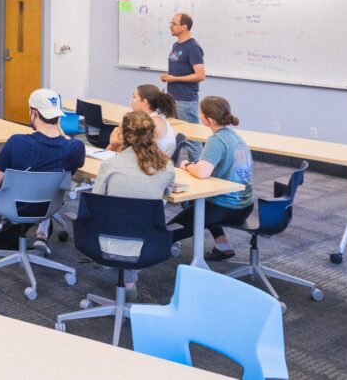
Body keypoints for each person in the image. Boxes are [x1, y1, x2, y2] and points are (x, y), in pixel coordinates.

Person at [0, 89, 86, 253]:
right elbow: (66, 144)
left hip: (14, 206)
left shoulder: (17, 142)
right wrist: (58, 130)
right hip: (48, 206)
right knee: (49, 183)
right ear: (58, 116)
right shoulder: (75, 148)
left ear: (33, 113)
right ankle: (41, 237)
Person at [91, 111, 175, 301]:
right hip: (148, 241)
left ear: (123, 135)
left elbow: (96, 203)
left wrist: (112, 146)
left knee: (120, 217)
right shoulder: (166, 166)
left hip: (107, 237)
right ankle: (129, 283)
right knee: (135, 219)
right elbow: (167, 193)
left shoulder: (110, 165)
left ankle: (128, 282)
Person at [170, 96, 254, 261]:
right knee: (195, 201)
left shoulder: (216, 140)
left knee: (169, 230)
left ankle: (159, 245)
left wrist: (187, 165)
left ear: (208, 119)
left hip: (226, 207)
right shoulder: (234, 136)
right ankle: (223, 245)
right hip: (245, 205)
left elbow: (202, 172)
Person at [161, 12, 205, 159]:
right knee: (172, 135)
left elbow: (200, 75)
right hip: (172, 98)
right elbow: (181, 68)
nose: (170, 26)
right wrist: (168, 76)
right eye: (171, 23)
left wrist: (175, 79)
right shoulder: (176, 44)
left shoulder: (193, 47)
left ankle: (198, 169)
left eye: (174, 24)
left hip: (185, 100)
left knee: (192, 138)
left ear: (184, 27)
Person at [107, 84, 177, 156]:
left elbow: (132, 148)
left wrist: (114, 142)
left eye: (134, 97)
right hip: (150, 159)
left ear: (144, 102)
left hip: (154, 163)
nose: (131, 100)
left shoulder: (152, 123)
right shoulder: (154, 117)